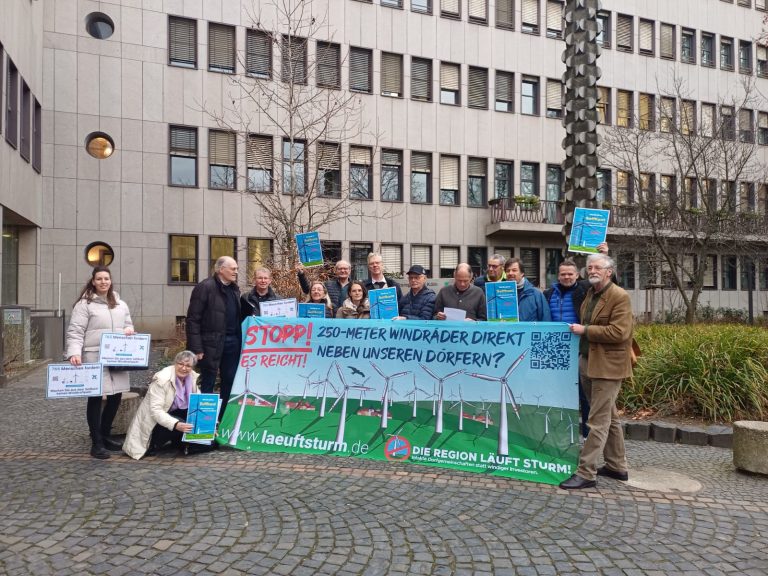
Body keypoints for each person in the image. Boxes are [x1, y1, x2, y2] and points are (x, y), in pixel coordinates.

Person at [559, 254, 633, 490]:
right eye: (589, 267)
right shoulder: (591, 294)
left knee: (597, 421)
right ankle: (616, 466)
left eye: (597, 267)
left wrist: (585, 330)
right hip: (588, 362)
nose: (592, 270)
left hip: (607, 367)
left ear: (609, 272)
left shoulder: (619, 296)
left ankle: (586, 472)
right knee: (609, 417)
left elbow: (619, 332)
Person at [66, 266, 135, 459]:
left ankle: (105, 434)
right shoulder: (84, 304)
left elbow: (128, 325)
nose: (103, 282)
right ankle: (96, 442)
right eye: (99, 279)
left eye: (106, 278)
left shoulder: (120, 304)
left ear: (110, 281)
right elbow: (76, 331)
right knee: (95, 397)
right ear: (93, 281)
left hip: (117, 356)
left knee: (116, 396)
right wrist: (74, 352)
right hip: (94, 355)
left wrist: (129, 332)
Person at [544, 243, 609, 437]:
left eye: (570, 274)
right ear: (558, 275)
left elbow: (608, 284)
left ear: (576, 275)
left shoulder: (586, 291)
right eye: (563, 274)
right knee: (558, 396)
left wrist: (604, 256)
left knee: (584, 395)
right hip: (555, 353)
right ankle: (560, 434)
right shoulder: (548, 294)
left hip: (580, 350)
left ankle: (587, 436)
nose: (566, 277)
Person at [123, 350, 207, 459]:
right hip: (154, 424)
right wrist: (176, 424)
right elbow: (156, 412)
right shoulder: (162, 380)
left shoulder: (191, 378)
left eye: (188, 366)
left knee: (210, 442)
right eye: (180, 364)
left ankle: (180, 442)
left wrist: (209, 422)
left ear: (192, 368)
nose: (184, 368)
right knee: (185, 425)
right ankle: (153, 445)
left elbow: (198, 404)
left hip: (174, 417)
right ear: (175, 363)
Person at [186, 256, 241, 421]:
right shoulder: (205, 287)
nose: (236, 272)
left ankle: (222, 420)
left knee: (229, 382)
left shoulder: (234, 289)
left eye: (236, 269)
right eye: (233, 269)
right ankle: (203, 425)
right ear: (220, 269)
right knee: (208, 382)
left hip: (232, 343)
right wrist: (197, 348)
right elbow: (192, 319)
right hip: (211, 344)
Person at [504, 257, 551, 322]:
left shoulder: (536, 294)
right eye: (508, 271)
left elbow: (546, 319)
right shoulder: (500, 294)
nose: (510, 273)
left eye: (514, 270)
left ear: (522, 273)